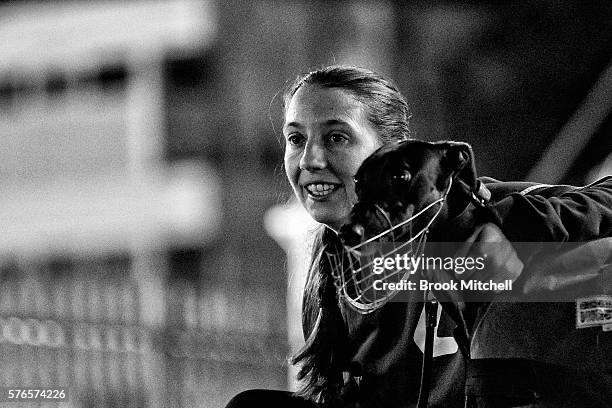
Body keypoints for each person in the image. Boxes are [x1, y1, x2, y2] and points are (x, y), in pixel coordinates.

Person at [226, 65, 612, 408]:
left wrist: (503, 221)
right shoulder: (330, 266)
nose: (310, 159)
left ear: (390, 152)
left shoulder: (457, 212)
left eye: (336, 138)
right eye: (295, 139)